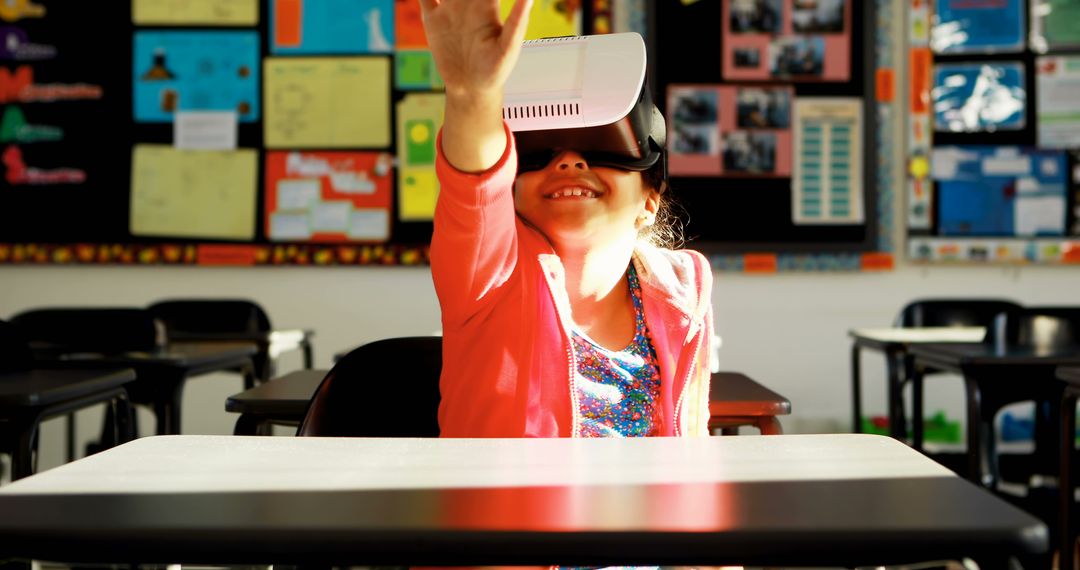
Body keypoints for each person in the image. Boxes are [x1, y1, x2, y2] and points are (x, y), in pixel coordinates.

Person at [421, 0, 715, 439]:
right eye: (540, 151)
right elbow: (473, 188)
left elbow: (692, 440)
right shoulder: (487, 277)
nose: (571, 161)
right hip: (509, 508)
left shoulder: (683, 291)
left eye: (604, 146)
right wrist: (472, 97)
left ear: (650, 199)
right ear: (511, 191)